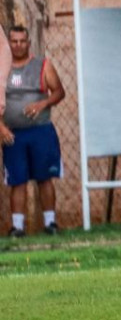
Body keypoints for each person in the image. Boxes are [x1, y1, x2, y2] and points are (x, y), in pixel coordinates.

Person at [3, 25, 66, 237]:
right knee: (17, 181)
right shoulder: (2, 68)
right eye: (14, 41)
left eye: (22, 41)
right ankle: (17, 227)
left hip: (40, 130)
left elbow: (59, 91)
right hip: (13, 134)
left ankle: (50, 223)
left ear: (28, 43)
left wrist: (42, 104)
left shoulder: (42, 65)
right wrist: (1, 127)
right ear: (7, 43)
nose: (18, 45)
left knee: (44, 178)